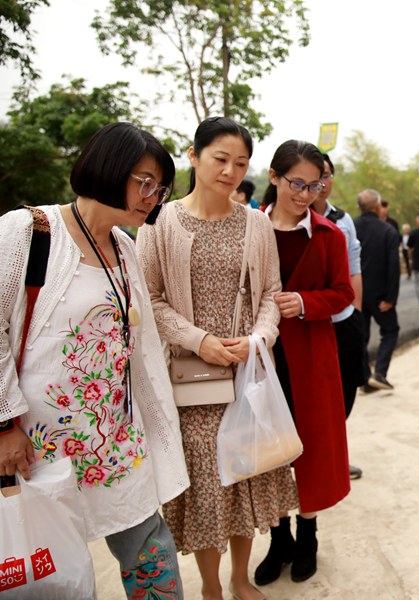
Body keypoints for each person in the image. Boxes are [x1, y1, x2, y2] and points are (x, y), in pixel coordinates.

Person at [0, 122, 189, 598]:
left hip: (114, 446)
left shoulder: (125, 249)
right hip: (35, 448)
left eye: (160, 187)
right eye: (144, 180)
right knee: (52, 571)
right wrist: (4, 424)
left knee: (151, 554)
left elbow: (137, 346)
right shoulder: (26, 231)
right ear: (108, 166)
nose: (153, 195)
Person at [137, 116, 295, 600]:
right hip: (190, 378)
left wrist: (258, 339)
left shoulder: (255, 223)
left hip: (245, 373)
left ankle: (240, 578)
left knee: (246, 476)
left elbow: (271, 292)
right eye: (220, 159)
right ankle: (210, 587)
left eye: (241, 162)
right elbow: (149, 299)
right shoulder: (159, 222)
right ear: (193, 156)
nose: (230, 170)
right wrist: (199, 339)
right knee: (208, 487)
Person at [256, 140, 353, 586]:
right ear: (274, 176)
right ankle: (279, 538)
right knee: (268, 447)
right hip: (260, 358)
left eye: (315, 185)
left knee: (311, 447)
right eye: (297, 183)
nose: (306, 194)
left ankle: (308, 534)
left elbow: (343, 293)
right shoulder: (249, 230)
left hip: (311, 357)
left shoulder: (329, 235)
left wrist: (305, 302)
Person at [311, 152, 366, 481]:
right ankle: (308, 459)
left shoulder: (343, 220)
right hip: (306, 324)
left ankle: (333, 456)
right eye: (311, 178)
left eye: (326, 176)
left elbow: (354, 270)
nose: (320, 184)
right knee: (311, 396)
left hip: (343, 320)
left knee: (345, 390)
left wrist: (356, 314)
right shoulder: (277, 217)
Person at [355, 189, 401, 391]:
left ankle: (365, 380)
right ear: (377, 206)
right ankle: (380, 373)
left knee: (361, 336)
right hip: (380, 295)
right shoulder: (387, 230)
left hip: (356, 294)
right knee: (390, 330)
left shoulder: (351, 227)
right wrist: (391, 297)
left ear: (359, 207)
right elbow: (394, 267)